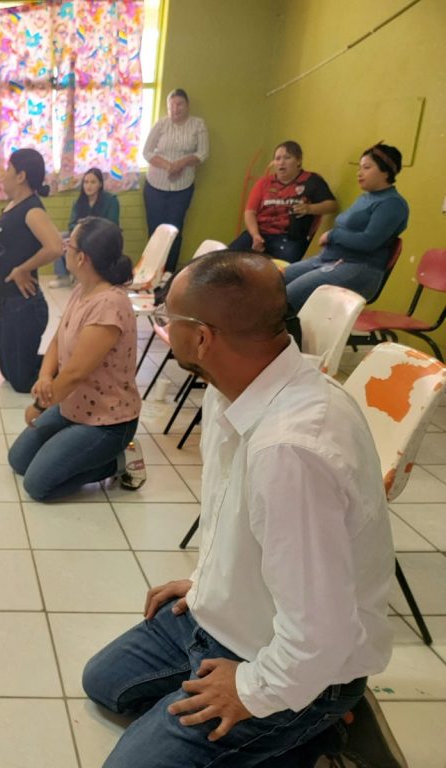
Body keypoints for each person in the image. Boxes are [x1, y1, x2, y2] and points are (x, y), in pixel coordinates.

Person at [82, 250, 404, 768]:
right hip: (227, 620)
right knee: (103, 683)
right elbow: (240, 520)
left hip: (300, 666)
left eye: (169, 318)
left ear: (202, 338)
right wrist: (210, 580)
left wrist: (251, 689)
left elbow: (323, 634)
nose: (164, 326)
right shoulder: (233, 389)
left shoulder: (291, 450)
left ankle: (317, 727)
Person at [7, 217, 145, 500]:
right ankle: (77, 451)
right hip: (73, 404)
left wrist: (39, 404)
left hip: (107, 420)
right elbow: (58, 339)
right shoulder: (83, 288)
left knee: (38, 485)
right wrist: (45, 377)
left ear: (82, 258)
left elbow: (75, 373)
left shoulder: (109, 305)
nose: (64, 247)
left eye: (69, 244)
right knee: (19, 460)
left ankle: (119, 460)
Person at [283, 142, 408, 313]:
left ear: (385, 171)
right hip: (329, 260)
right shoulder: (366, 198)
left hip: (358, 269)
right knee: (275, 280)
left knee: (287, 297)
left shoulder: (392, 204)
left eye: (366, 167)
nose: (359, 173)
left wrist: (333, 236)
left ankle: (283, 335)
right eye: (359, 168)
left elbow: (369, 241)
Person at [0, 149, 64, 393]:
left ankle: (75, 372)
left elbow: (55, 247)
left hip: (24, 305)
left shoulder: (32, 209)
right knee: (9, 374)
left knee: (22, 382)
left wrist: (23, 269)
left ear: (21, 176)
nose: (3, 174)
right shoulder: (13, 205)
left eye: (8, 169)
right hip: (8, 302)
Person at [228, 141, 338, 264]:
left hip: (290, 238)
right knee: (228, 260)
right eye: (277, 158)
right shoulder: (264, 182)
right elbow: (250, 212)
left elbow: (332, 205)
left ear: (299, 161)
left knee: (279, 270)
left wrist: (309, 208)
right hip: (259, 232)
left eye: (287, 157)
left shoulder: (312, 181)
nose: (281, 162)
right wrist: (255, 235)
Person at [143, 88, 209, 273]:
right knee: (155, 231)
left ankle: (169, 273)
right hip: (155, 186)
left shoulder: (198, 125)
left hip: (182, 188)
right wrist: (168, 166)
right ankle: (150, 272)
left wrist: (182, 163)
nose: (175, 108)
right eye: (171, 105)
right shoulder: (161, 124)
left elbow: (203, 153)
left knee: (175, 231)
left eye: (179, 104)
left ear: (187, 105)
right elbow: (146, 152)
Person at [49, 168, 120, 288]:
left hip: (102, 236)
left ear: (100, 184)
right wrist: (79, 232)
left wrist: (90, 229)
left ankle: (91, 276)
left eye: (93, 182)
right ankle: (63, 276)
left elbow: (112, 224)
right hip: (82, 235)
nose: (89, 186)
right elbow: (71, 224)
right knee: (60, 237)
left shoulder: (111, 200)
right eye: (86, 182)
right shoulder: (78, 202)